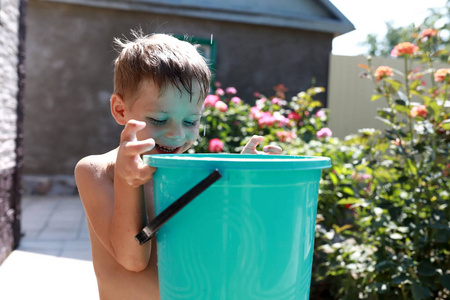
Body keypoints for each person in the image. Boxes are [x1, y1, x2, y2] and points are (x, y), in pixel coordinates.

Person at [74, 31, 282, 300]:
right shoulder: (97, 172)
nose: (177, 135)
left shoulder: (187, 173)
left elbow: (219, 236)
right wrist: (129, 182)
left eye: (190, 121)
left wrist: (241, 177)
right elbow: (133, 259)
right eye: (160, 119)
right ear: (121, 110)